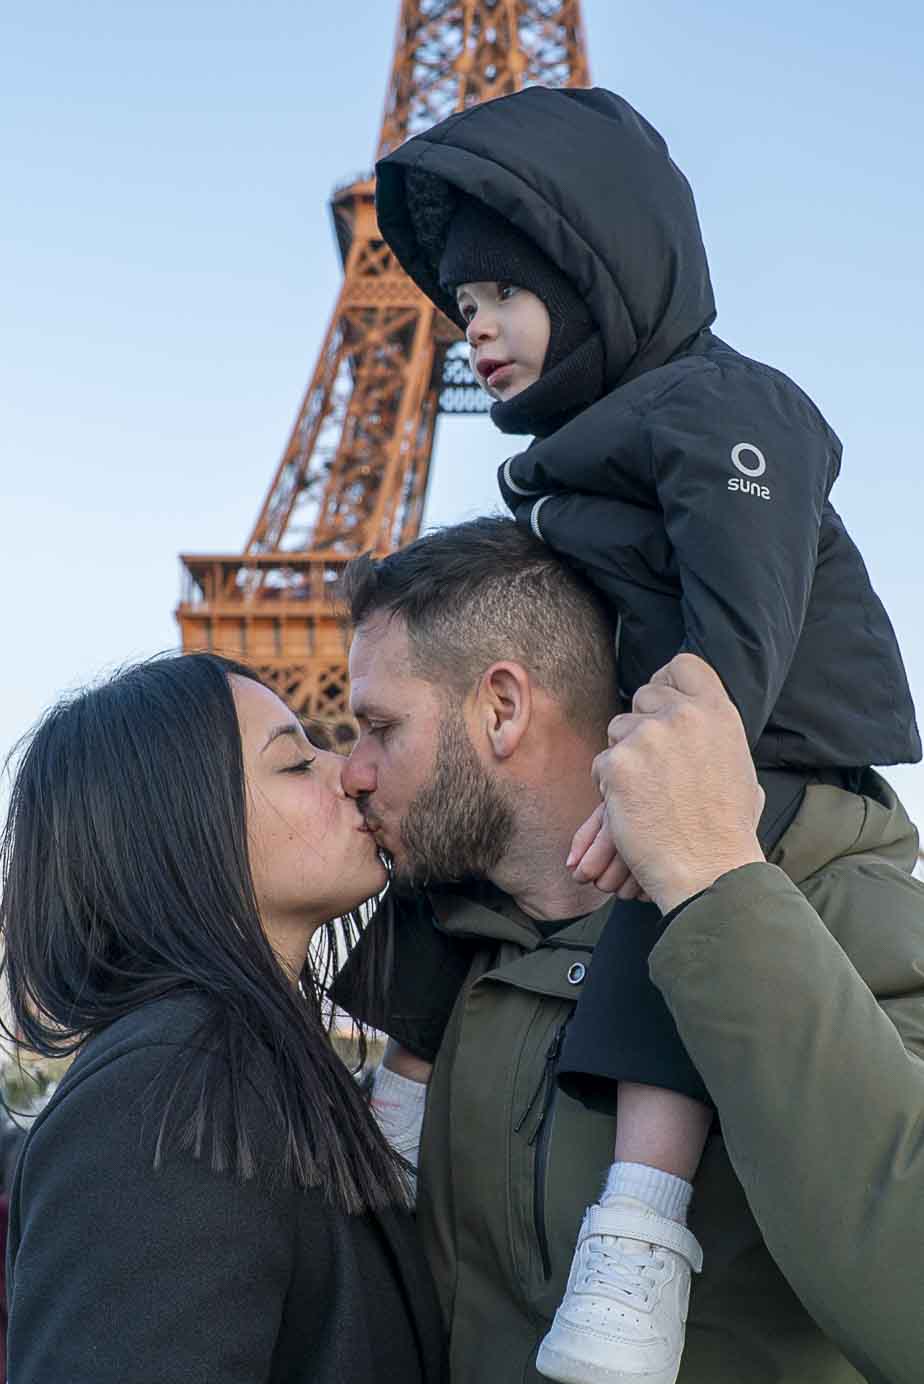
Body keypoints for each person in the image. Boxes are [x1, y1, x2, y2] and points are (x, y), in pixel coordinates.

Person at [371, 86, 921, 1384]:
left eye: (500, 296)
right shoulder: (569, 462)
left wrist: (690, 792)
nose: (475, 331)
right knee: (443, 873)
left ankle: (640, 1221)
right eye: (461, 308)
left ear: (596, 271)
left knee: (677, 913)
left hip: (760, 744)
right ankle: (391, 1099)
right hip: (670, 742)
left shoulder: (722, 409)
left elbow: (743, 604)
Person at [332, 516, 924, 1384]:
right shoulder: (457, 967)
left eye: (380, 727)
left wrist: (718, 886)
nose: (351, 769)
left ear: (502, 708)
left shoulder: (842, 913)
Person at [0, 653, 445, 1384]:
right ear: (179, 827)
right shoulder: (163, 1095)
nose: (351, 773)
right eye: (296, 764)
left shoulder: (233, 1066)